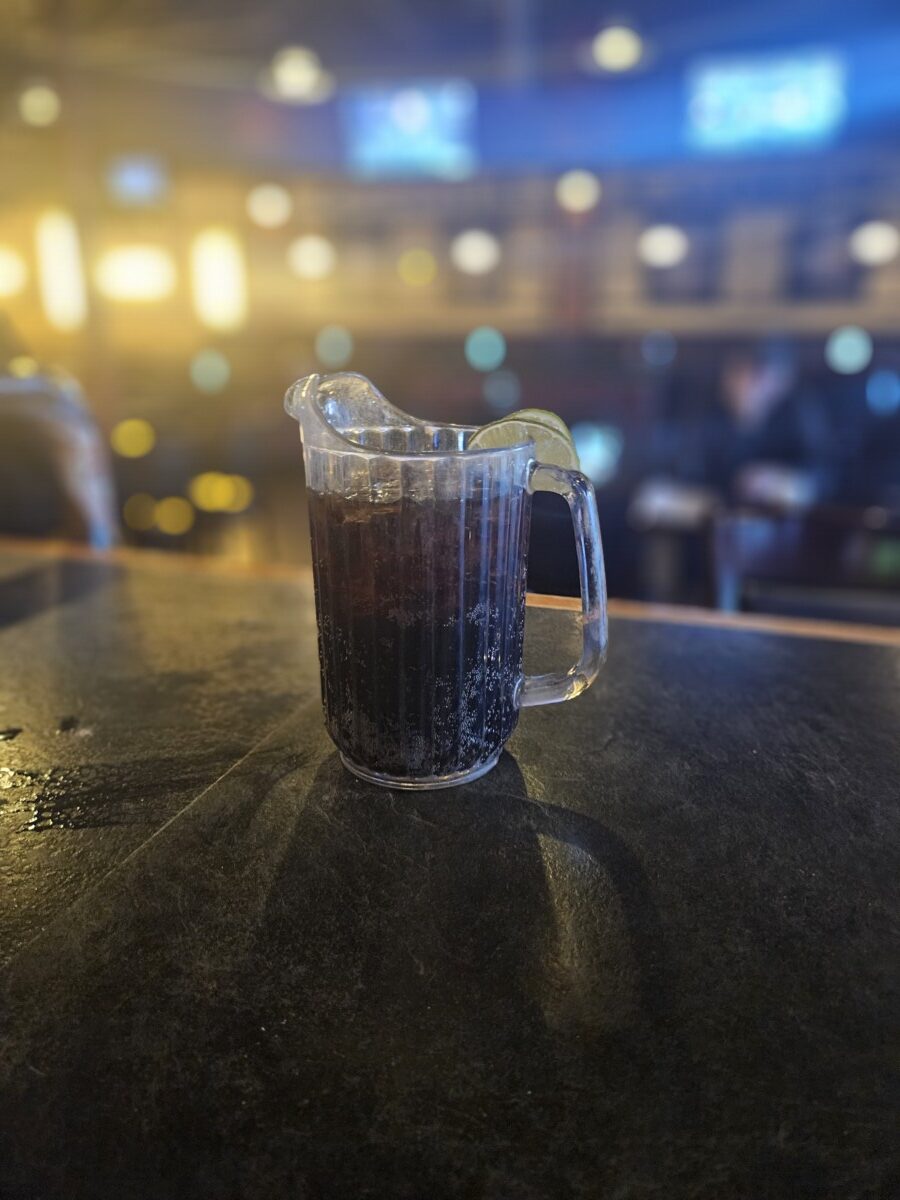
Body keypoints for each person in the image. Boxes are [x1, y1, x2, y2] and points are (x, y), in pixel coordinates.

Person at [0, 318, 118, 547]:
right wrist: (99, 540)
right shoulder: (50, 390)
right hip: (39, 528)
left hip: (32, 524)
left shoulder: (47, 392)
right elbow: (87, 481)